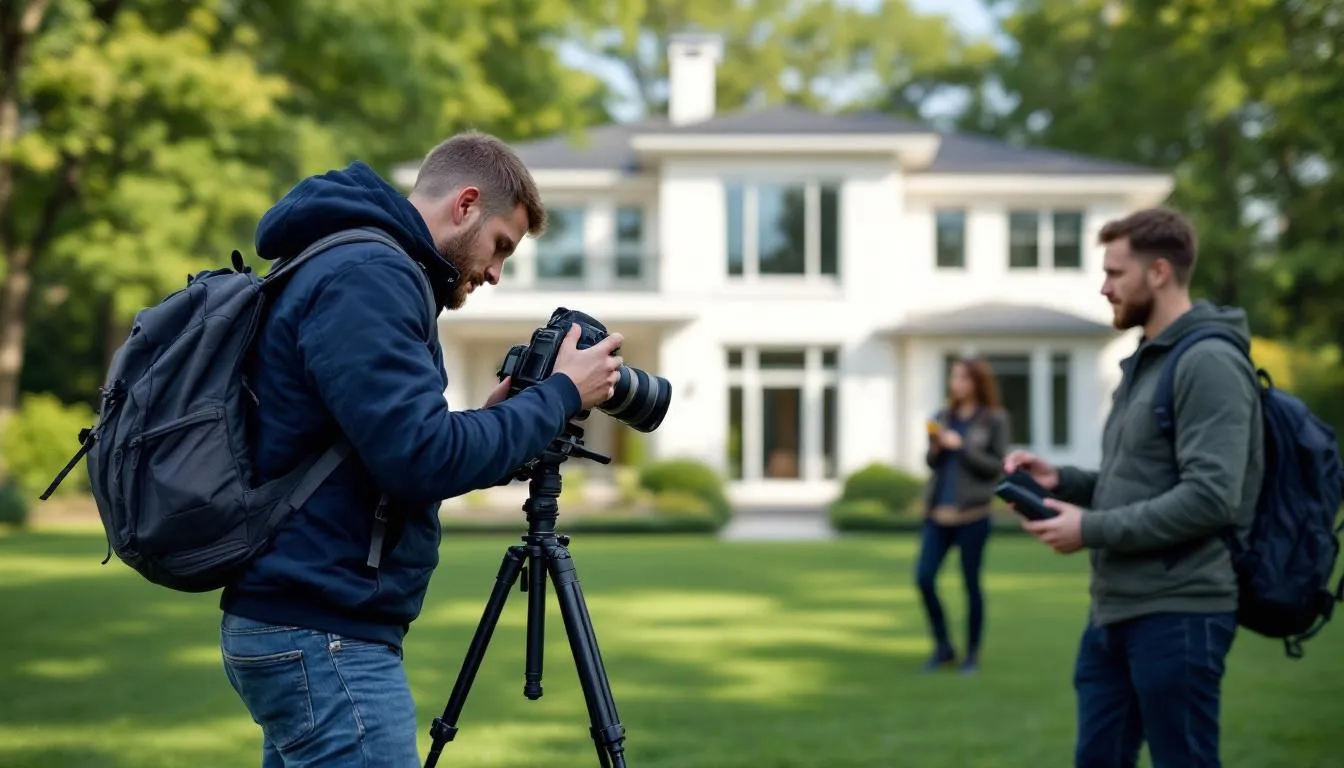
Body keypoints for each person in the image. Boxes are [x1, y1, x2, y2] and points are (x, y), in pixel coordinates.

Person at [217, 131, 626, 768]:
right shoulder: (370, 275)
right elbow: (420, 459)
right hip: (325, 632)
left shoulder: (354, 264)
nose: (495, 273)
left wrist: (499, 422)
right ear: (465, 205)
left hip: (307, 622)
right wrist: (561, 394)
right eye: (501, 246)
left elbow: (393, 449)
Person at [1004, 207, 1263, 768]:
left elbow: (1211, 497)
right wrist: (1061, 480)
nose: (1104, 287)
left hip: (1180, 614)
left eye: (1115, 273)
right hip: (1114, 612)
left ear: (1159, 272)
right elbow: (1136, 483)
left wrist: (1090, 529)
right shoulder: (1147, 363)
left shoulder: (1209, 363)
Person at [915, 356, 1009, 674]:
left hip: (973, 514)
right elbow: (931, 463)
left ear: (977, 382)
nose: (956, 383)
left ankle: (971, 654)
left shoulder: (994, 420)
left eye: (963, 378)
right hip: (938, 513)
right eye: (953, 377)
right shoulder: (942, 417)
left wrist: (962, 447)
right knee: (924, 578)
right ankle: (943, 647)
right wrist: (936, 447)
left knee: (970, 584)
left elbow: (996, 467)